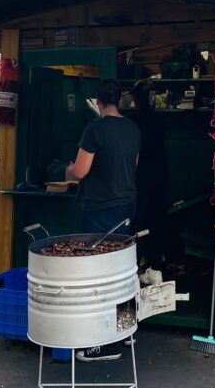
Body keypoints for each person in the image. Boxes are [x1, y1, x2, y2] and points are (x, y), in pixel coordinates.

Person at [66, 78, 141, 362]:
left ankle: (101, 344)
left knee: (97, 274)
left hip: (99, 209)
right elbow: (132, 166)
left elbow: (82, 171)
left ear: (98, 102)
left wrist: (68, 170)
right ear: (120, 100)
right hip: (126, 205)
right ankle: (126, 330)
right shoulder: (133, 129)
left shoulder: (95, 128)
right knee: (123, 270)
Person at [128, 79, 168, 268]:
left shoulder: (132, 121)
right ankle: (156, 258)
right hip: (159, 170)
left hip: (141, 172)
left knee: (140, 216)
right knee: (157, 215)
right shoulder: (159, 119)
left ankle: (140, 259)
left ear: (136, 99)